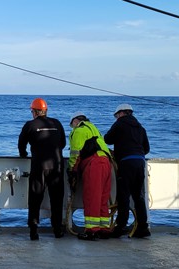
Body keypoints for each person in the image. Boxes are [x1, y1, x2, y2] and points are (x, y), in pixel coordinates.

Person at [18, 97, 66, 240]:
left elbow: (21, 144)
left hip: (39, 166)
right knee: (57, 199)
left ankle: (34, 231)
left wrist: (24, 154)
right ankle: (57, 230)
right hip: (56, 166)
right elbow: (62, 143)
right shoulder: (57, 123)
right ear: (45, 111)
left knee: (35, 198)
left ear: (34, 111)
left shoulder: (30, 125)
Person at [104, 103, 151, 238]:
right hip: (139, 162)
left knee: (123, 196)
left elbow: (107, 139)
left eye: (116, 115)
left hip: (126, 163)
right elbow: (146, 149)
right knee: (138, 196)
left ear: (121, 113)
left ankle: (120, 226)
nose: (116, 117)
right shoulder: (141, 128)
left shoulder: (119, 124)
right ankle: (143, 227)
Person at [68, 111, 113, 241]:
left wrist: (71, 170)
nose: (72, 127)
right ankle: (104, 229)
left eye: (72, 125)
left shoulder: (79, 131)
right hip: (106, 163)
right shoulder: (94, 128)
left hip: (94, 164)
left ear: (75, 121)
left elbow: (75, 154)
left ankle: (91, 231)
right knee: (102, 198)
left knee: (92, 197)